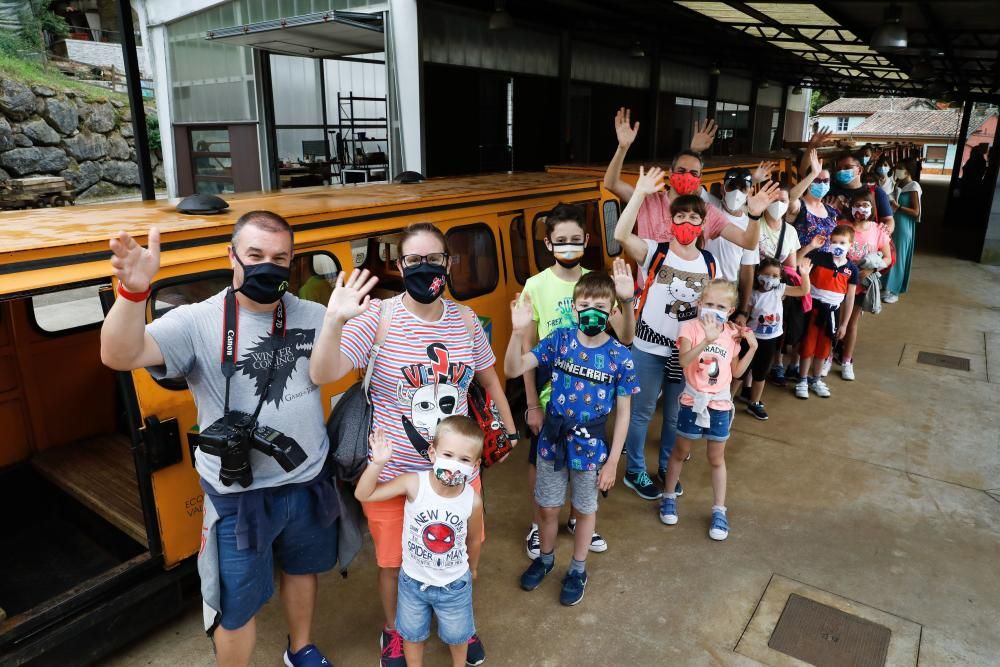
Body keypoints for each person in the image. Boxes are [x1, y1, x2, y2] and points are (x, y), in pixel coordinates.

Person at [100, 212, 347, 667]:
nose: (266, 267)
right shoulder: (197, 321)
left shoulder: (315, 315)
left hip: (307, 478)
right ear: (231, 255)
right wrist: (134, 292)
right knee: (234, 604)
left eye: (279, 258)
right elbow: (119, 353)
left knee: (303, 569)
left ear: (292, 263)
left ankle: (301, 648)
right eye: (254, 255)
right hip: (239, 495)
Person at [310, 223, 516, 667]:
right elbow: (323, 373)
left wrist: (509, 428)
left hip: (458, 473)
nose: (424, 269)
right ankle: (397, 631)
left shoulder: (464, 321)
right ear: (399, 265)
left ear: (448, 263)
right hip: (392, 473)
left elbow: (488, 378)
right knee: (393, 562)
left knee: (458, 552)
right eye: (413, 261)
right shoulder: (377, 318)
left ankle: (459, 624)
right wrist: (333, 321)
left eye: (433, 260)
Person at [506, 272, 639, 606]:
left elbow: (624, 415)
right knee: (548, 509)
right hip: (553, 438)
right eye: (584, 305)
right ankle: (546, 559)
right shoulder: (560, 340)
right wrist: (517, 332)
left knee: (583, 510)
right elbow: (512, 369)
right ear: (574, 309)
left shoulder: (619, 356)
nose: (591, 312)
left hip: (591, 447)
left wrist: (611, 463)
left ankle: (578, 569)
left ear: (611, 312)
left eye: (600, 306)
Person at [519, 203, 636, 559]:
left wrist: (627, 302)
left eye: (575, 239)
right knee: (540, 463)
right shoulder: (535, 285)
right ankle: (540, 523)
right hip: (550, 393)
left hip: (591, 396)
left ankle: (577, 519)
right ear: (548, 243)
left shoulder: (598, 283)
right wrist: (532, 404)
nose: (568, 246)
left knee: (584, 466)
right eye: (560, 240)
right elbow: (526, 346)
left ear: (586, 240)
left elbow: (625, 338)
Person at [612, 167, 718, 501]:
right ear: (671, 220)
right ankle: (635, 471)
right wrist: (640, 194)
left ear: (703, 225)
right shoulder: (655, 250)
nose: (688, 222)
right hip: (647, 348)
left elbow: (710, 304)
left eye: (694, 216)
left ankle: (666, 468)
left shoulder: (709, 262)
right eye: (681, 215)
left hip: (683, 352)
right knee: (641, 413)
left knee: (674, 415)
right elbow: (620, 234)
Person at [354, 418, 485, 667]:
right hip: (412, 583)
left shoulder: (473, 501)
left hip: (454, 585)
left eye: (464, 460)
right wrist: (377, 464)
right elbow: (364, 494)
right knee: (412, 636)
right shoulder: (414, 483)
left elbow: (474, 539)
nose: (455, 464)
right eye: (448, 454)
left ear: (475, 465)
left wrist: (474, 568)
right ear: (432, 453)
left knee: (459, 637)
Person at [659, 279, 757, 541]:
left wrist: (752, 348)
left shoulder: (731, 334)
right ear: (700, 304)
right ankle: (668, 496)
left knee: (717, 458)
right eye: (709, 304)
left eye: (721, 306)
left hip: (720, 404)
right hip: (693, 401)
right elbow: (683, 361)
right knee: (680, 451)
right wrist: (706, 340)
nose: (714, 309)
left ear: (731, 310)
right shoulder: (689, 327)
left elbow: (735, 372)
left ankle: (719, 510)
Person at [604, 107, 779, 250]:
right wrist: (622, 147)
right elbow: (610, 183)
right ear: (671, 174)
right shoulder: (648, 200)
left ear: (700, 179)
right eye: (681, 170)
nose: (687, 176)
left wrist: (754, 216)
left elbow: (747, 242)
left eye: (694, 173)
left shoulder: (707, 212)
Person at [795, 225, 859, 400]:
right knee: (807, 346)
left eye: (843, 242)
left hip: (833, 314)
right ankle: (802, 379)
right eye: (835, 241)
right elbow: (797, 262)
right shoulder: (819, 257)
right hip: (813, 310)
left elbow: (850, 298)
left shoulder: (852, 270)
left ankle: (815, 379)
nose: (838, 245)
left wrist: (844, 324)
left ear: (851, 245)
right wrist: (810, 247)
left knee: (824, 349)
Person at [744, 256, 812, 420]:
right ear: (758, 274)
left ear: (780, 278)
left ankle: (754, 402)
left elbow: (803, 291)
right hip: (752, 338)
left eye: (775, 276)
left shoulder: (780, 289)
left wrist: (804, 275)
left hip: (771, 339)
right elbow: (746, 315)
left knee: (761, 372)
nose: (770, 279)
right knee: (743, 371)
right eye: (766, 274)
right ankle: (729, 401)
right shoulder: (752, 294)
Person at [839, 192, 893, 381]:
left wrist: (871, 270)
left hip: (861, 286)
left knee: (851, 323)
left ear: (872, 209)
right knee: (836, 321)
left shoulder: (879, 231)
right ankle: (827, 357)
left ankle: (846, 360)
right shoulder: (842, 227)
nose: (861, 209)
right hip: (839, 283)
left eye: (865, 205)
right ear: (850, 207)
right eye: (857, 205)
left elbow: (887, 257)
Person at [827, 152, 895, 233]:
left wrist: (884, 233)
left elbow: (888, 220)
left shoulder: (875, 192)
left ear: (860, 170)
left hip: (868, 242)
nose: (842, 171)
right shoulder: (830, 191)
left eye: (847, 167)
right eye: (838, 169)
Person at [884, 158, 922, 303]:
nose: (897, 170)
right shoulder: (900, 183)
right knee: (890, 253)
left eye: (900, 168)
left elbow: (916, 212)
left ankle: (894, 290)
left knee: (899, 257)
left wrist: (898, 207)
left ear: (908, 170)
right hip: (895, 222)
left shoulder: (914, 186)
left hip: (904, 225)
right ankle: (886, 286)